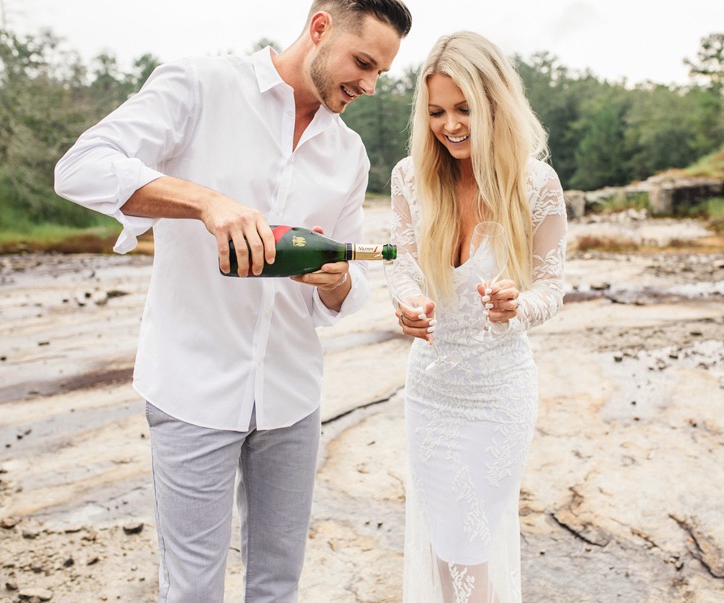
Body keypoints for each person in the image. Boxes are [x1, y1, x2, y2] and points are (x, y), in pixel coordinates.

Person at [53, 1, 412, 601]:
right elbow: (80, 168)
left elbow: (348, 283)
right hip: (192, 388)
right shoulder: (199, 86)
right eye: (364, 63)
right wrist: (204, 202)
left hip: (292, 396)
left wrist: (337, 282)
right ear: (320, 28)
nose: (371, 86)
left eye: (382, 73)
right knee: (192, 589)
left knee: (278, 585)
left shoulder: (349, 154)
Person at [388, 31, 568, 602]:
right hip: (431, 390)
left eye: (465, 108)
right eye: (437, 111)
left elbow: (551, 287)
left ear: (495, 103)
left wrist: (517, 307)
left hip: (499, 394)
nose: (450, 125)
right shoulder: (410, 178)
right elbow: (403, 266)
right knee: (446, 534)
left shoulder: (537, 185)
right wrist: (407, 303)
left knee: (471, 536)